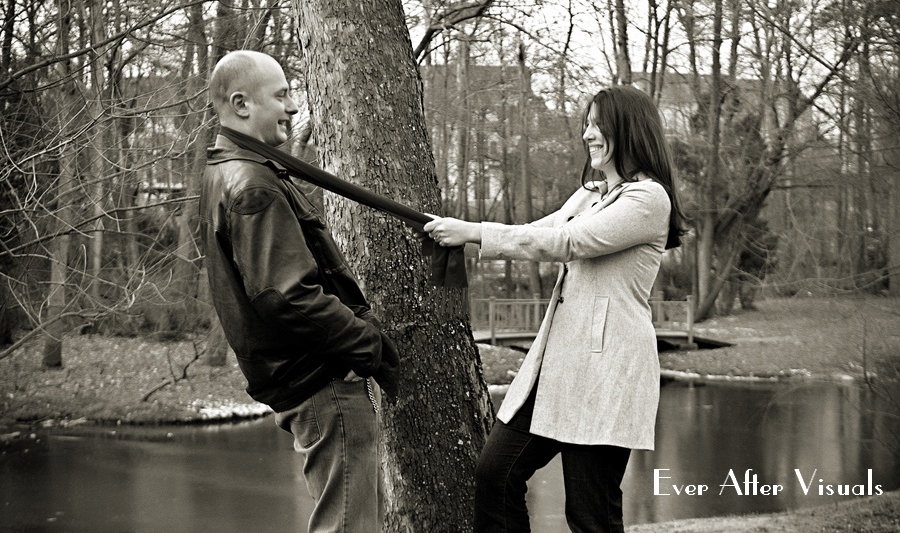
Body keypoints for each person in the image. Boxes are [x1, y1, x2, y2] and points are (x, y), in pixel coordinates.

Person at [425, 85, 687, 533]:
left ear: (628, 128)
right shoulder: (591, 194)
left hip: (606, 372)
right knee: (496, 474)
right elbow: (536, 230)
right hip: (557, 368)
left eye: (597, 123)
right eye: (585, 123)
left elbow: (567, 243)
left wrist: (473, 230)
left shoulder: (648, 199)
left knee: (590, 516)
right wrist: (466, 231)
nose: (587, 134)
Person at [199, 49, 400, 533]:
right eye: (283, 95)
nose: (292, 107)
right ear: (242, 104)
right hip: (321, 378)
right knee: (349, 526)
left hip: (303, 376)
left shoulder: (227, 170)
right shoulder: (252, 184)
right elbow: (286, 295)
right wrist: (368, 344)